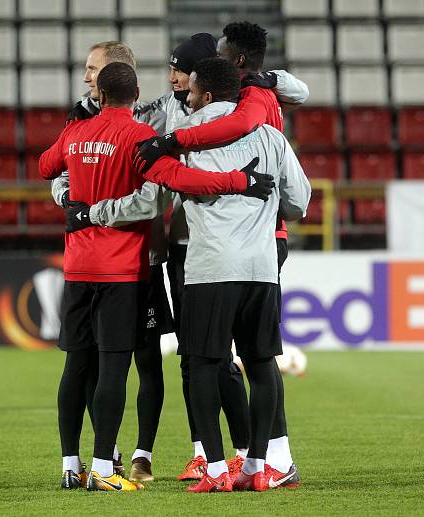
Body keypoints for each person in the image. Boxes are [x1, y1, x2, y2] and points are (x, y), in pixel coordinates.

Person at [40, 62, 265, 492]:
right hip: (123, 269)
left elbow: (46, 166)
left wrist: (72, 184)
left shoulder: (75, 132)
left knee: (74, 366)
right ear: (136, 93)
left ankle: (72, 465)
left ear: (100, 95)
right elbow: (178, 179)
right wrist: (238, 180)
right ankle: (105, 470)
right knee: (113, 369)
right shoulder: (142, 137)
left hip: (76, 266)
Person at [135, 21, 306, 485]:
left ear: (205, 95)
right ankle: (260, 465)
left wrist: (159, 157)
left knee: (204, 363)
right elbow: (300, 201)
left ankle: (213, 466)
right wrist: (261, 202)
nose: (183, 96)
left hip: (209, 266)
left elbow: (168, 177)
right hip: (262, 264)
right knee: (262, 363)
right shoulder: (271, 134)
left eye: (189, 90)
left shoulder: (188, 136)